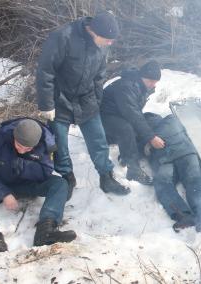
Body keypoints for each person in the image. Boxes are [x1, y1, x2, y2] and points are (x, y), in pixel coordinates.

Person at [36, 11, 130, 197]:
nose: (110, 43)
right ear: (93, 31)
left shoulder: (103, 42)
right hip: (60, 99)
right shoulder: (63, 37)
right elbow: (45, 71)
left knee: (98, 140)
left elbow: (100, 74)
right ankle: (66, 179)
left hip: (86, 99)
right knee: (60, 145)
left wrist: (96, 99)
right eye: (107, 39)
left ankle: (106, 177)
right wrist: (47, 105)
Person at [0, 118, 76, 256]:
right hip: (0, 183)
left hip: (28, 184)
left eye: (27, 148)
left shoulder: (45, 143)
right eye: (19, 145)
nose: (22, 150)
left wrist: (21, 166)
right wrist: (3, 193)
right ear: (14, 136)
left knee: (60, 184)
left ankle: (46, 230)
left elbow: (45, 171)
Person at [144, 113, 201, 233]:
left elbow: (141, 152)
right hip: (186, 154)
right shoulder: (174, 119)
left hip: (165, 160)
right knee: (195, 180)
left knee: (163, 183)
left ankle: (183, 215)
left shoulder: (145, 133)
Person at [100, 60, 163, 186]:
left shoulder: (141, 85)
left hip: (120, 114)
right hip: (104, 117)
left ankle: (127, 153)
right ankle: (133, 170)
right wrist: (151, 137)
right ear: (142, 76)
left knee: (149, 119)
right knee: (126, 128)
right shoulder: (126, 86)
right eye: (150, 81)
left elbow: (136, 112)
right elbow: (133, 115)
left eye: (155, 82)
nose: (153, 84)